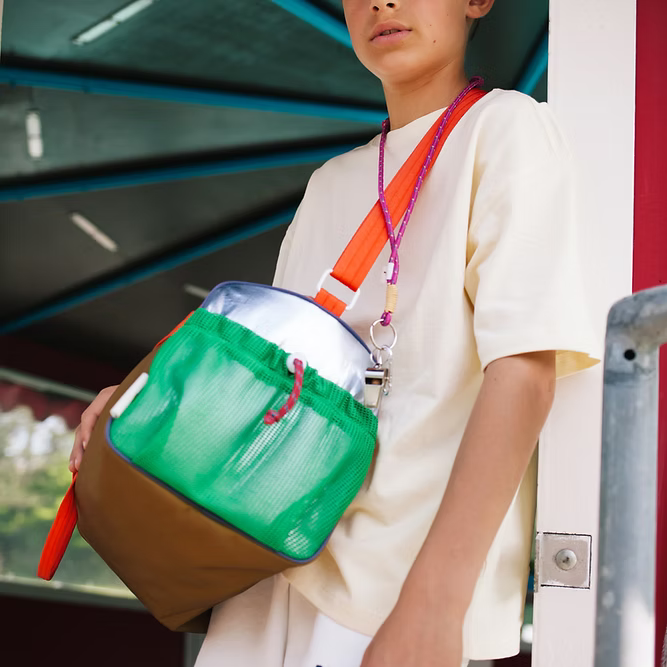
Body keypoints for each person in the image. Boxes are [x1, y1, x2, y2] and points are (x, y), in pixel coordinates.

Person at [69, 1, 599, 665]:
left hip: (393, 594)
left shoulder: (505, 129)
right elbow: (277, 383)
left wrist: (433, 606)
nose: (381, 2)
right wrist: (134, 394)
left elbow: (524, 371)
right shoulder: (331, 183)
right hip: (269, 564)